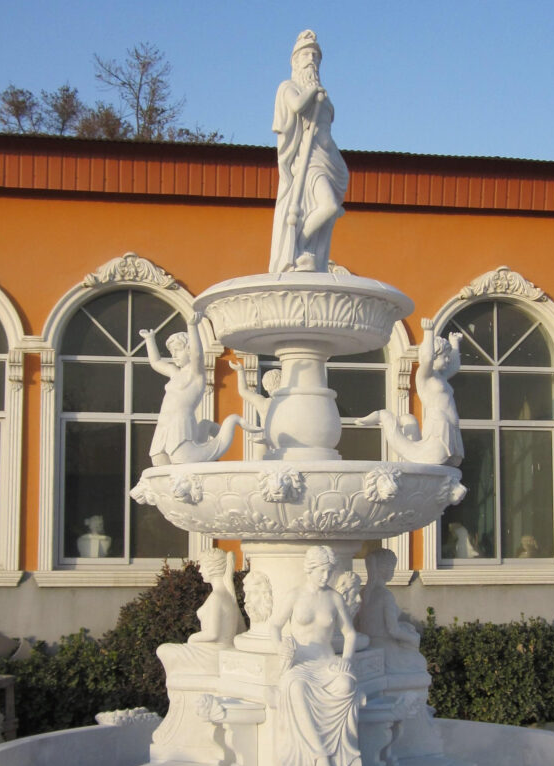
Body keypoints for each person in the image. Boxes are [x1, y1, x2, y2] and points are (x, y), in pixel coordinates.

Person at [269, 546, 361, 766]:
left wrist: (346, 661)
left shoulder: (334, 598)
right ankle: (318, 754)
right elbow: (274, 626)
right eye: (321, 571)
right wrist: (280, 647)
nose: (326, 576)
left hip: (327, 663)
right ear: (310, 569)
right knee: (296, 688)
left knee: (346, 686)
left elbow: (350, 634)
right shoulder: (295, 595)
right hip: (301, 664)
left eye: (329, 572)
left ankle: (342, 756)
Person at [269, 30, 349, 273]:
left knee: (329, 209)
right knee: (329, 207)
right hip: (308, 158)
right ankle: (298, 249)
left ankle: (308, 252)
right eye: (306, 54)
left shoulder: (321, 93)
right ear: (295, 61)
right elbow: (296, 106)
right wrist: (313, 93)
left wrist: (319, 96)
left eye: (315, 55)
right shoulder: (288, 87)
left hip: (329, 158)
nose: (311, 59)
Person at [144, 312, 258, 465]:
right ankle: (205, 427)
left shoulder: (196, 374)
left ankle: (227, 422)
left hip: (181, 426)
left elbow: (198, 354)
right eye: (172, 352)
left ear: (189, 349)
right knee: (158, 462)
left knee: (181, 460)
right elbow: (156, 363)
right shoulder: (174, 373)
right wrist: (149, 340)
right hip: (164, 426)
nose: (174, 355)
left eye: (178, 350)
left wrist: (192, 327)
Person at [355, 319, 464, 466]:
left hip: (450, 430)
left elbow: (455, 367)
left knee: (449, 472)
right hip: (438, 429)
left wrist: (455, 342)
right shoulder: (425, 376)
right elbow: (426, 358)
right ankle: (383, 416)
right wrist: (428, 332)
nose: (447, 360)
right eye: (444, 356)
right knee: (437, 471)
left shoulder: (441, 377)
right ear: (434, 355)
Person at [189, 549, 241, 645]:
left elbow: (212, 634)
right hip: (219, 647)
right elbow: (241, 629)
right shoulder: (228, 594)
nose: (200, 571)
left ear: (211, 567)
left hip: (213, 649)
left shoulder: (216, 597)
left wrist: (191, 639)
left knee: (163, 650)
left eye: (202, 566)